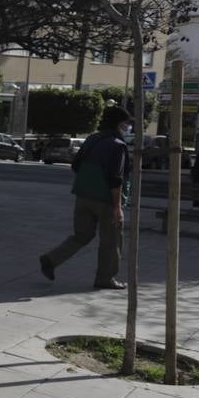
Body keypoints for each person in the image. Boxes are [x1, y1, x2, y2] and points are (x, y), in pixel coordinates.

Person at [38, 106, 131, 291]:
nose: (128, 128)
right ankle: (106, 278)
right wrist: (117, 206)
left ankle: (52, 259)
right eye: (127, 125)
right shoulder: (118, 145)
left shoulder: (92, 139)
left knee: (82, 235)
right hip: (105, 200)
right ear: (121, 124)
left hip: (83, 196)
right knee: (111, 241)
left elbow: (75, 165)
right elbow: (115, 178)